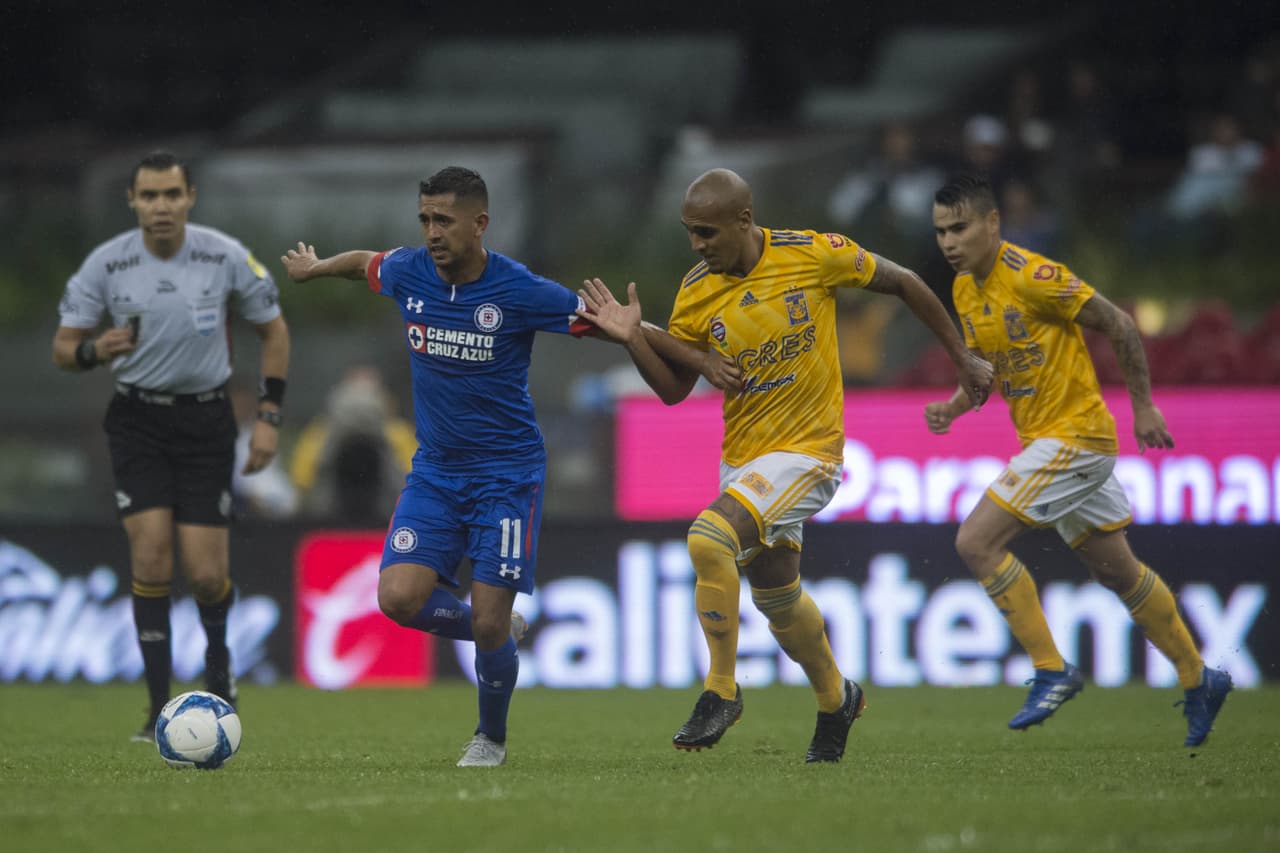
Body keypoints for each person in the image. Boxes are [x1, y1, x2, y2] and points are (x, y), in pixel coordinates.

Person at [576, 168, 993, 763]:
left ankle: (721, 690)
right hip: (744, 461)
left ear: (744, 221)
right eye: (689, 232)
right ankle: (836, 698)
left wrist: (963, 359)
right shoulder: (698, 289)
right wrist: (632, 338)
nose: (696, 244)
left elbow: (904, 283)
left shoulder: (812, 255)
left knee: (706, 539)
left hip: (809, 453)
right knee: (776, 597)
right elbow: (673, 389)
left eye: (706, 232)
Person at [281, 166, 594, 768]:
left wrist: (692, 356)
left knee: (487, 621)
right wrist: (317, 267)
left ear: (479, 224)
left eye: (443, 220)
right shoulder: (408, 271)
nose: (430, 232)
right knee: (397, 599)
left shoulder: (519, 290)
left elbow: (610, 325)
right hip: (436, 472)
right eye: (424, 219)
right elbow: (365, 262)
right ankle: (498, 628)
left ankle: (490, 738)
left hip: (507, 474)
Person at [925, 173, 1232, 746]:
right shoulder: (966, 290)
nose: (948, 242)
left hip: (1076, 438)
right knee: (1117, 571)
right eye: (941, 231)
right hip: (1048, 442)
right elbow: (991, 372)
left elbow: (1118, 323)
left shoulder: (1034, 277)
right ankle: (1199, 677)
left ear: (992, 223)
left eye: (959, 228)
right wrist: (954, 406)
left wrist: (1142, 408)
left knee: (975, 542)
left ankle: (1050, 669)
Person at [51, 150, 290, 741]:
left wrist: (266, 419)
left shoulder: (225, 256)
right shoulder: (106, 265)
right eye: (149, 196)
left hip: (207, 423)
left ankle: (219, 672)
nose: (161, 207)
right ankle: (158, 707)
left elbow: (274, 330)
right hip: (137, 420)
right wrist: (92, 352)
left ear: (190, 198)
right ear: (131, 201)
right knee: (152, 557)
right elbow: (63, 346)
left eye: (172, 195)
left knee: (207, 575)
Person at [289, 365, 416, 526]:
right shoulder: (399, 432)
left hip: (331, 523)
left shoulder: (319, 433)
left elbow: (303, 482)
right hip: (383, 521)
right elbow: (410, 481)